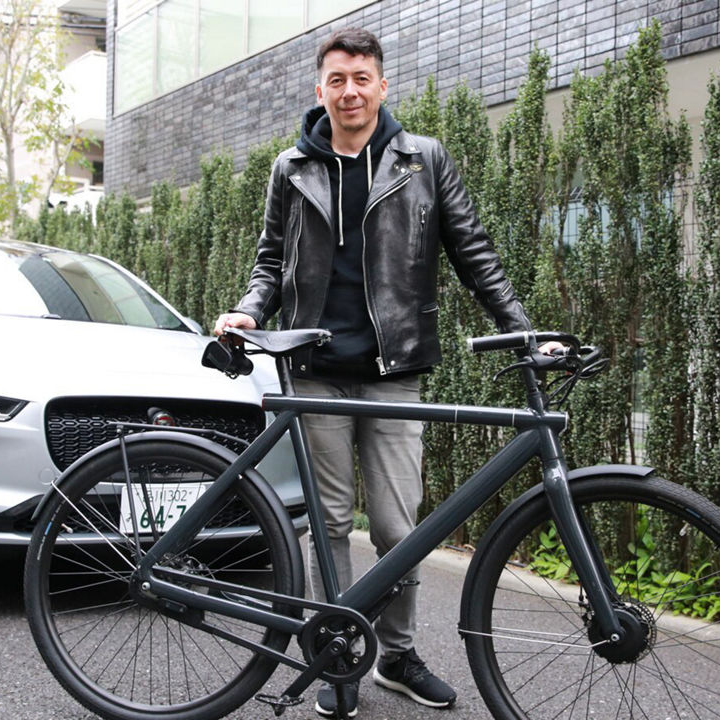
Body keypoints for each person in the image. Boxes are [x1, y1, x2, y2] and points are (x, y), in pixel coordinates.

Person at [215, 27, 546, 718]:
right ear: (320, 90)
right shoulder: (291, 167)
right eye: (337, 79)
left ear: (382, 85)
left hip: (393, 369)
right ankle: (337, 652)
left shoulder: (421, 159)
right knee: (331, 520)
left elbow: (472, 250)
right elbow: (270, 261)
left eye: (362, 78)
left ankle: (396, 655)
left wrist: (518, 324)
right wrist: (250, 310)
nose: (350, 91)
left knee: (401, 528)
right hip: (315, 370)